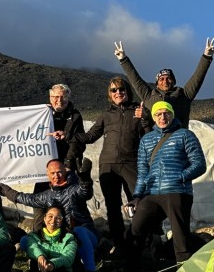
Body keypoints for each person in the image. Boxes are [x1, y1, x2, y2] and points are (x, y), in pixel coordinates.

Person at [64, 77, 151, 253]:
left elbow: (149, 136)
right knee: (112, 205)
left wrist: (145, 119)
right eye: (113, 90)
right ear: (109, 95)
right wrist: (66, 135)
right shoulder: (106, 114)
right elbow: (90, 136)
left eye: (121, 89)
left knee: (138, 202)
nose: (118, 92)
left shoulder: (138, 111)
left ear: (127, 91)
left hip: (131, 163)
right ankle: (119, 242)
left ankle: (139, 240)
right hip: (108, 164)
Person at [125, 101, 207, 272]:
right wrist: (137, 196)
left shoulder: (185, 135)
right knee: (135, 230)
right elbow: (142, 171)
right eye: (158, 114)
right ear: (153, 117)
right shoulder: (146, 140)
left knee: (180, 236)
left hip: (177, 192)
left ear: (172, 114)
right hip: (152, 193)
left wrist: (180, 177)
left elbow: (199, 164)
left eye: (166, 113)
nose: (162, 117)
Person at [0, 159, 98, 272]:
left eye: (59, 172)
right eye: (52, 173)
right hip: (62, 242)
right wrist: (7, 191)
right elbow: (27, 199)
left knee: (79, 231)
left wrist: (85, 178)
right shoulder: (46, 196)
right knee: (26, 240)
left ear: (65, 172)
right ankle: (45, 263)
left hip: (85, 238)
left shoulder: (74, 190)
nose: (56, 176)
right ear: (48, 175)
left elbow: (85, 191)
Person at [114, 38, 214, 127]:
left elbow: (197, 78)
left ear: (174, 81)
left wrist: (207, 56)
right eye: (161, 79)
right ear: (157, 83)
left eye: (168, 78)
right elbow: (135, 79)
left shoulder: (184, 96)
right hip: (154, 142)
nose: (165, 81)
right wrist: (123, 59)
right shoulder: (148, 96)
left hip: (178, 141)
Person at [21, 204, 78, 272]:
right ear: (44, 218)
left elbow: (68, 257)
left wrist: (53, 263)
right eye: (50, 216)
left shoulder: (69, 238)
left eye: (58, 218)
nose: (53, 220)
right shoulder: (34, 236)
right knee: (35, 263)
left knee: (61, 270)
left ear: (62, 221)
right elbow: (32, 247)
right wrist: (40, 256)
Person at [34, 84, 85, 193]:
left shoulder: (75, 116)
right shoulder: (41, 115)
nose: (60, 100)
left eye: (63, 97)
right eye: (56, 97)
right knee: (39, 199)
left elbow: (78, 142)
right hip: (46, 166)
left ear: (68, 98)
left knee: (70, 199)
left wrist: (68, 165)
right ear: (50, 98)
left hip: (67, 166)